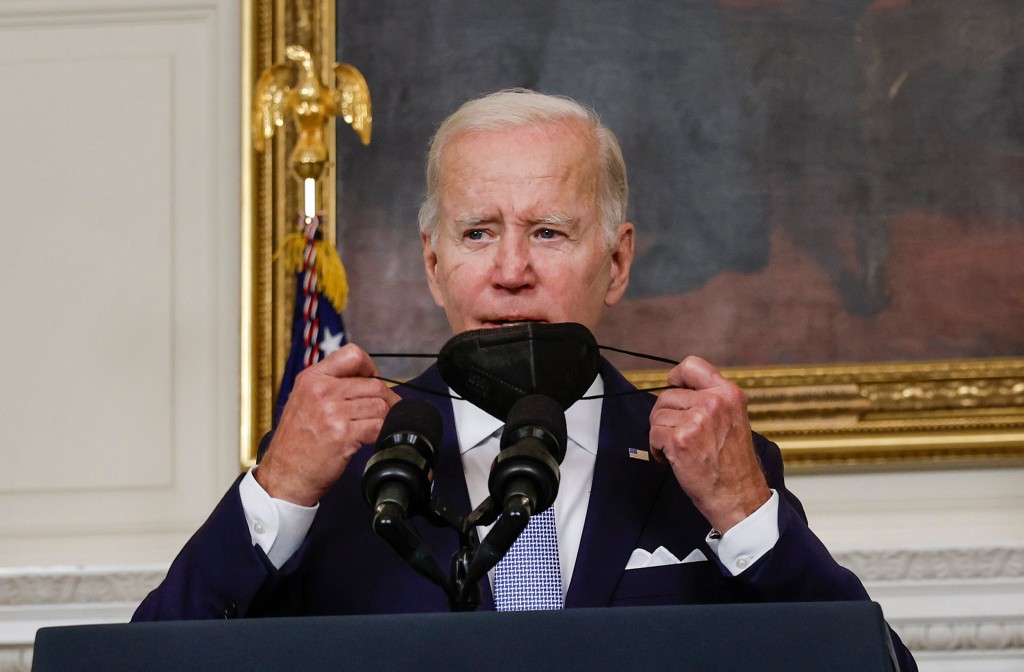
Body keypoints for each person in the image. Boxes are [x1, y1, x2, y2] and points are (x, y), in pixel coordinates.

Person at [134, 89, 916, 670]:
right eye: (478, 233)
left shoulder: (710, 464)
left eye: (549, 232)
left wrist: (748, 515)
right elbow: (144, 663)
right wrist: (274, 492)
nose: (511, 271)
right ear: (434, 266)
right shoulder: (332, 468)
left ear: (616, 262)